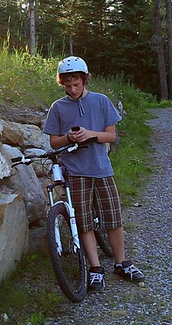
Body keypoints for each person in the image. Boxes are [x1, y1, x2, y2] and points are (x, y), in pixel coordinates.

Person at [43, 56, 145, 291]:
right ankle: (96, 268)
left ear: (84, 79)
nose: (72, 89)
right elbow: (54, 142)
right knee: (84, 222)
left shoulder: (101, 101)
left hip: (101, 169)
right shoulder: (58, 107)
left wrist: (90, 134)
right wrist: (69, 137)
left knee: (113, 218)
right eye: (67, 85)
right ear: (62, 84)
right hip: (75, 172)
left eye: (76, 84)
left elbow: (111, 136)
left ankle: (122, 263)